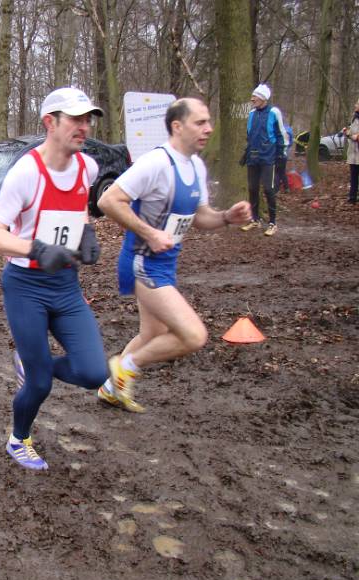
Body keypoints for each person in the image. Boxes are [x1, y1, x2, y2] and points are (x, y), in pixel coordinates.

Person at [97, 98, 252, 413]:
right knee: (193, 335)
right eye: (200, 122)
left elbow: (201, 217)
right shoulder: (156, 163)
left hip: (165, 264)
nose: (209, 129)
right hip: (142, 263)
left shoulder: (195, 165)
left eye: (209, 122)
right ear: (177, 126)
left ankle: (111, 389)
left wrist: (226, 217)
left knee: (152, 333)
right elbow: (108, 201)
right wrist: (150, 233)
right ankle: (125, 367)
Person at [0, 87, 108, 471]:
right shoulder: (26, 173)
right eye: (75, 119)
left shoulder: (88, 167)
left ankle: (33, 363)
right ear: (50, 122)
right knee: (39, 385)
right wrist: (36, 249)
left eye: (88, 119)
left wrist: (86, 234)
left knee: (94, 372)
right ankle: (19, 439)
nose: (84, 127)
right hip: (26, 288)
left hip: (66, 286)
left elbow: (78, 209)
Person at [240, 84, 288, 236]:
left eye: (255, 96)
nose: (252, 99)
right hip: (253, 158)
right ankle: (255, 219)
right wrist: (246, 154)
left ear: (263, 98)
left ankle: (273, 223)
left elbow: (281, 134)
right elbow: (249, 135)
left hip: (268, 158)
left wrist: (281, 155)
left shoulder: (274, 112)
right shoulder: (251, 114)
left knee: (268, 189)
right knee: (252, 188)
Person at [342, 97, 359, 205]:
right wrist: (346, 131)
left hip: (357, 153)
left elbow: (356, 136)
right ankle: (352, 197)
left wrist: (349, 134)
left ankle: (353, 197)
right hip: (353, 153)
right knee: (353, 176)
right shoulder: (355, 117)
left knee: (355, 176)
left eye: (357, 104)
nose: (355, 105)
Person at [274, 124, 294, 193]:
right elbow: (291, 143)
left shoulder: (278, 130)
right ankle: (286, 188)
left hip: (277, 154)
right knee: (282, 172)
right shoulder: (289, 130)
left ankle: (276, 189)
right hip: (284, 155)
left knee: (276, 172)